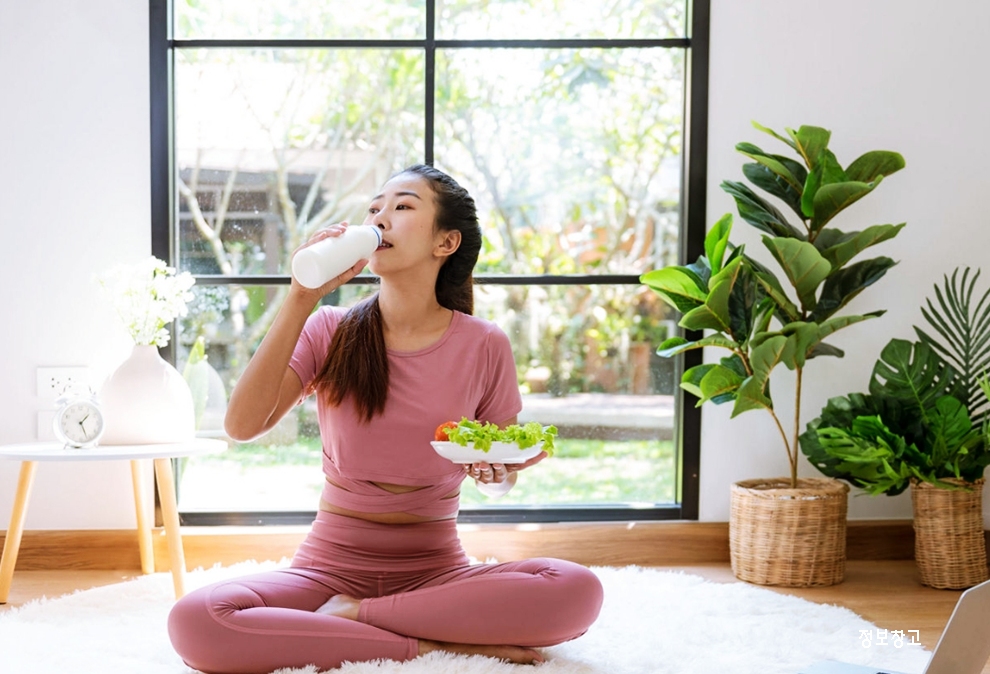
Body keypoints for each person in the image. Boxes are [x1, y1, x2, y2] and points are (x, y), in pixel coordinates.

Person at [167, 164, 604, 674]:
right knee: (197, 621)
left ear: (446, 242)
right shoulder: (330, 328)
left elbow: (498, 476)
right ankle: (429, 644)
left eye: (402, 206)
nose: (379, 217)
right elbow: (242, 425)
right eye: (374, 208)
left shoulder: (484, 342)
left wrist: (497, 475)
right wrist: (301, 297)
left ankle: (354, 619)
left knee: (577, 589)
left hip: (436, 574)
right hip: (327, 569)